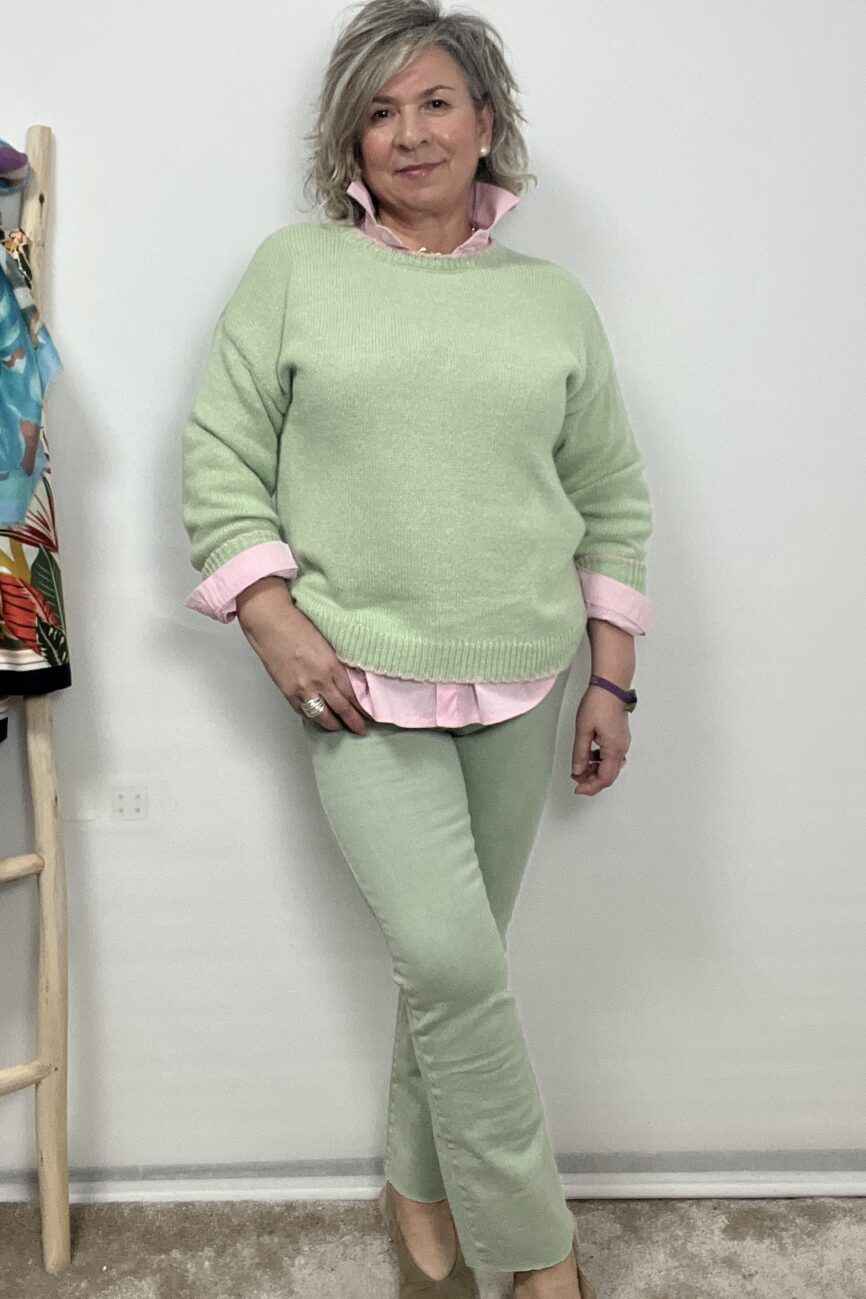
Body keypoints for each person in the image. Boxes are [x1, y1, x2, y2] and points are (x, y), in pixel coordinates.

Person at [180, 1, 655, 1294]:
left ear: (485, 121)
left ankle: (415, 1170)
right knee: (450, 958)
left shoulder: (552, 303)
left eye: (435, 102)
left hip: (524, 671)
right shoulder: (295, 271)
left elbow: (610, 494)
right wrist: (270, 618)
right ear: (350, 138)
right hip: (352, 677)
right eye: (379, 111)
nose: (408, 133)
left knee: (460, 968)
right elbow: (220, 456)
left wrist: (612, 677)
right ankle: (540, 1252)